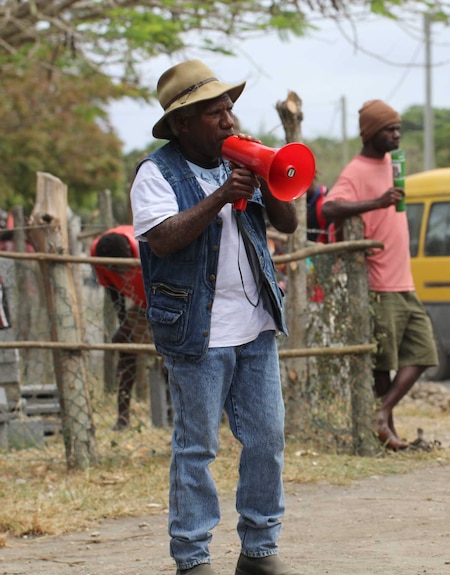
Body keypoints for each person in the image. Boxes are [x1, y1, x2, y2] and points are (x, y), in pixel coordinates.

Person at [129, 60, 300, 575]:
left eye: (230, 108)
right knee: (197, 448)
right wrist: (223, 195)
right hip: (196, 332)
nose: (228, 120)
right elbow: (163, 238)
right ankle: (193, 557)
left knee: (267, 441)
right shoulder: (156, 173)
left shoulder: (238, 162)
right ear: (182, 123)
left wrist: (269, 177)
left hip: (254, 327)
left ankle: (260, 550)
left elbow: (288, 224)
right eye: (213, 112)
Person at [320, 99, 438, 450]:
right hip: (379, 281)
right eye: (390, 129)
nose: (397, 135)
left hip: (404, 280)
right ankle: (386, 433)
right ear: (371, 133)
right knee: (383, 365)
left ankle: (381, 414)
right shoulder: (356, 171)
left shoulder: (392, 163)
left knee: (423, 351)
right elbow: (329, 207)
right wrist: (377, 202)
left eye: (398, 128)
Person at [89, 225, 150, 430]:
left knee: (171, 358)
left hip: (164, 301)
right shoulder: (97, 252)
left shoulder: (145, 246)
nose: (120, 274)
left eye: (123, 269)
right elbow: (112, 289)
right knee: (123, 342)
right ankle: (122, 417)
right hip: (141, 305)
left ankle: (176, 413)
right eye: (115, 270)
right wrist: (125, 321)